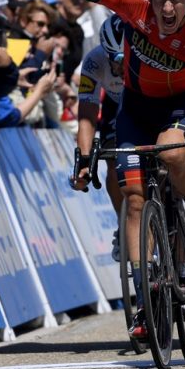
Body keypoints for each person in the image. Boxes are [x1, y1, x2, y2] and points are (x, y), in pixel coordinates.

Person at [1, 0, 185, 340]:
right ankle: (144, 301)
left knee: (174, 152)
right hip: (136, 109)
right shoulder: (132, 9)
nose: (167, 10)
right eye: (159, 0)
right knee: (134, 198)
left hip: (181, 106)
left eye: (175, 0)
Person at [76, 15, 126, 261]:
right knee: (114, 165)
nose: (120, 66)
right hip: (116, 105)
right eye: (114, 59)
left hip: (151, 102)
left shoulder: (151, 57)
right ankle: (124, 224)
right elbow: (86, 113)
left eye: (126, 59)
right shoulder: (94, 61)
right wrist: (84, 161)